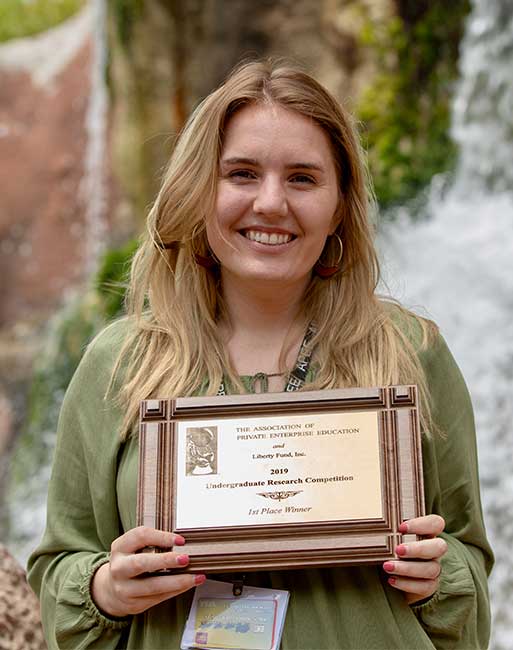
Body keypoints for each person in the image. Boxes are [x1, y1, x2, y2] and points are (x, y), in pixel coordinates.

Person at [28, 59, 493, 649]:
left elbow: (472, 570)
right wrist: (105, 589)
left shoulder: (412, 354)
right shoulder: (120, 364)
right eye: (242, 174)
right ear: (200, 189)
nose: (271, 203)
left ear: (341, 205)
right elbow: (58, 565)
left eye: (302, 178)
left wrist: (438, 575)